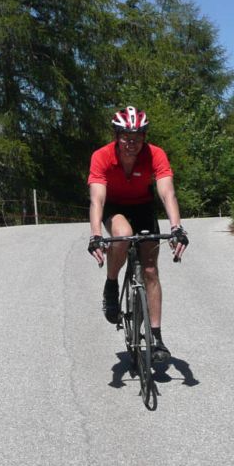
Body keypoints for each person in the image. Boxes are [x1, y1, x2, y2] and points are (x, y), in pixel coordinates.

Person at [87, 106, 189, 363]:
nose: (131, 143)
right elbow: (97, 199)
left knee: (151, 270)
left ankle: (156, 338)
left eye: (137, 137)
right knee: (122, 234)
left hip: (143, 206)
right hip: (115, 207)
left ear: (144, 137)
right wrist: (96, 234)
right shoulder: (101, 156)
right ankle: (111, 284)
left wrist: (176, 228)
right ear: (116, 136)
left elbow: (167, 192)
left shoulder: (155, 154)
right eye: (126, 137)